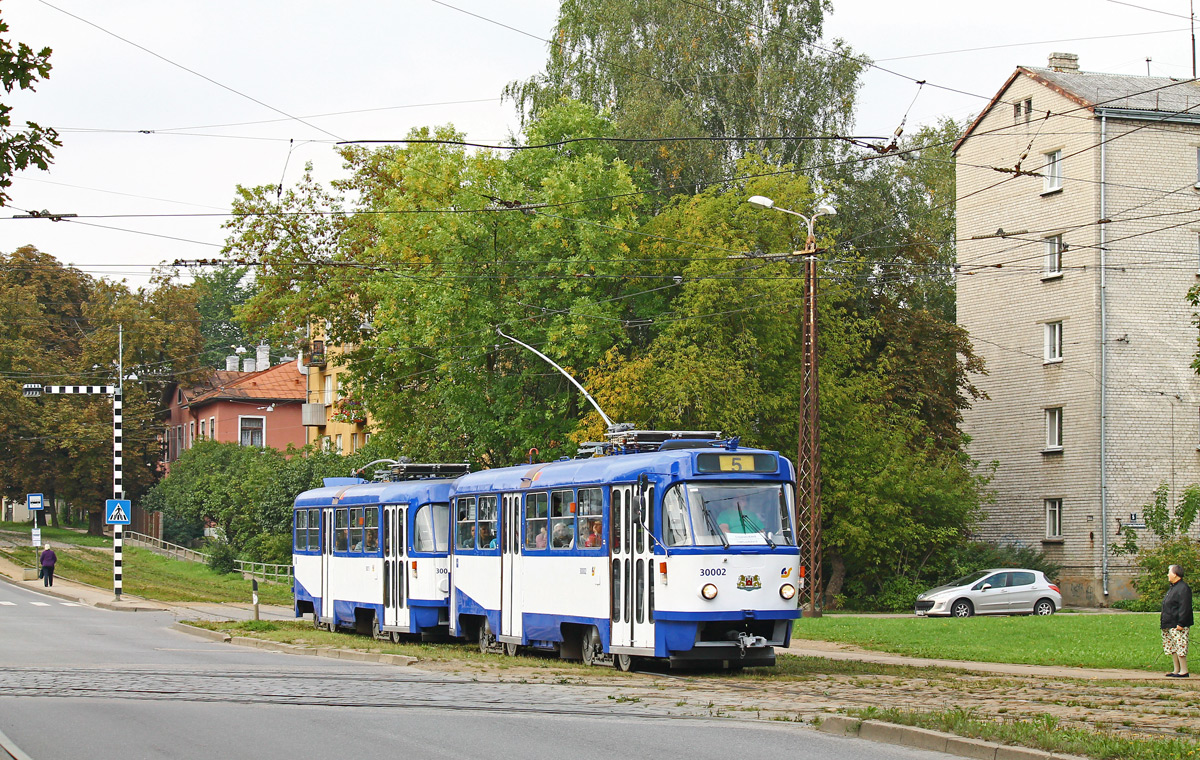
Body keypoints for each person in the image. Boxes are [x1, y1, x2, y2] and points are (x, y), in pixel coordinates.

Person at [1162, 564, 1193, 678]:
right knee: (1172, 647)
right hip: (1169, 622)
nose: (1167, 575)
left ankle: (1184, 670)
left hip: (1178, 624)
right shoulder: (1173, 587)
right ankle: (1176, 669)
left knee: (1180, 646)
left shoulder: (1183, 588)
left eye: (1169, 572)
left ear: (1175, 574)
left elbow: (1185, 607)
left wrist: (1181, 623)